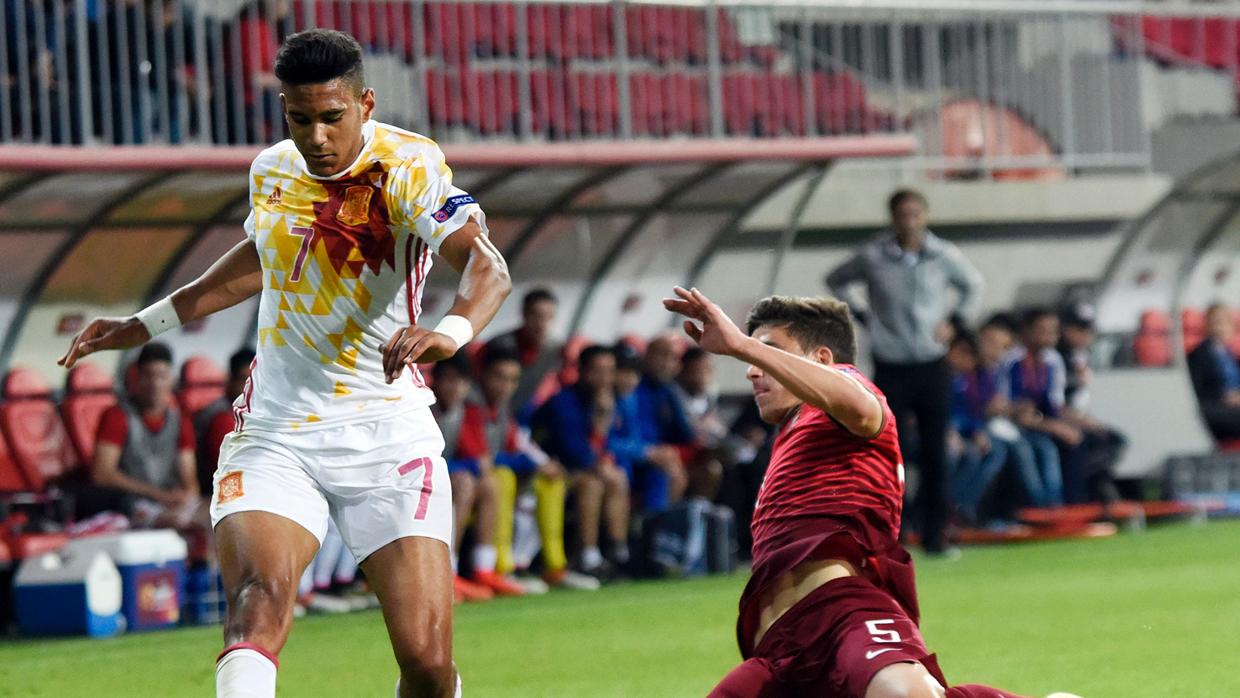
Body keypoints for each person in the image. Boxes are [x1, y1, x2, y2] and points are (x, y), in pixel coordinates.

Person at [59, 29, 511, 698]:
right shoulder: (272, 168)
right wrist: (144, 323)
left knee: (427, 663)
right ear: (283, 109)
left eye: (332, 118)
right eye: (300, 119)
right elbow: (261, 259)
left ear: (365, 102)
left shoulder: (409, 167)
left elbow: (486, 265)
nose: (317, 137)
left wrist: (446, 333)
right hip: (275, 431)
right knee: (257, 603)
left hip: (387, 433)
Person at [663, 288, 1078, 698]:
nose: (752, 368)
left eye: (768, 350)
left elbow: (860, 407)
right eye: (752, 354)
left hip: (841, 614)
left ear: (822, 359)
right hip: (780, 648)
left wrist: (738, 344)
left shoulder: (844, 394)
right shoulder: (792, 436)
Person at [826, 189, 984, 555]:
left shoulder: (942, 255)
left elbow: (973, 285)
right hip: (891, 362)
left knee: (935, 452)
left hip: (931, 363)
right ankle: (889, 535)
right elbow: (836, 279)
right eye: (902, 214)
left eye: (915, 214)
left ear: (925, 216)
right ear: (892, 218)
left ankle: (935, 535)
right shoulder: (873, 256)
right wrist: (864, 316)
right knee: (886, 451)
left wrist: (956, 322)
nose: (909, 221)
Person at [475, 346, 599, 591]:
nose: (506, 386)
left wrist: (542, 465)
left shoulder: (503, 410)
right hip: (464, 478)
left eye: (512, 380)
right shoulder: (473, 404)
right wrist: (533, 464)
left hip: (486, 476)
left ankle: (555, 566)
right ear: (484, 376)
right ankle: (501, 568)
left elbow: (515, 447)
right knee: (503, 477)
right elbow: (483, 458)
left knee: (551, 480)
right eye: (500, 377)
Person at [430, 354, 525, 602]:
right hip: (415, 478)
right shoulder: (424, 408)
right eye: (448, 380)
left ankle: (484, 567)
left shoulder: (466, 410)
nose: (454, 387)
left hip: (441, 477)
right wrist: (472, 463)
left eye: (460, 381)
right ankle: (445, 573)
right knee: (464, 481)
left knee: (489, 483)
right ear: (435, 381)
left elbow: (478, 455)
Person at [533, 345, 630, 578]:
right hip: (551, 469)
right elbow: (574, 452)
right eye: (597, 371)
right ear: (582, 371)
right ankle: (588, 557)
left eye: (609, 371)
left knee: (616, 477)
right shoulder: (563, 402)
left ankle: (619, 552)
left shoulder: (615, 400)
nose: (604, 378)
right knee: (591, 485)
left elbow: (621, 442)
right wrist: (601, 420)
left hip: (588, 469)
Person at [92, 342, 201, 529]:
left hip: (166, 500)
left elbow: (190, 481)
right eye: (148, 375)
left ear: (171, 380)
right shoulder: (117, 416)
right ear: (137, 378)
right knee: (170, 521)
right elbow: (102, 474)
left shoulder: (180, 421)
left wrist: (185, 498)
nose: (155, 384)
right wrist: (158, 495)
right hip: (127, 501)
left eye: (162, 376)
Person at [485, 287, 563, 421]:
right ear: (524, 314)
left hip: (516, 417)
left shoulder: (552, 350)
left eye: (549, 317)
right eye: (537, 315)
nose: (542, 324)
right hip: (488, 416)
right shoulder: (501, 345)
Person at [196, 348, 256, 497]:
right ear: (230, 380)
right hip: (215, 495)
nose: (251, 388)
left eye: (255, 381)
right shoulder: (221, 417)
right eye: (244, 380)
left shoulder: (253, 414)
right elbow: (228, 469)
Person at [1187, 302, 1240, 440]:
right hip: (1215, 409)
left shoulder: (1229, 354)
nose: (1221, 327)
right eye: (1217, 322)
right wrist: (1225, 398)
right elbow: (1194, 392)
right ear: (1207, 325)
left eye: (1225, 322)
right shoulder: (1199, 354)